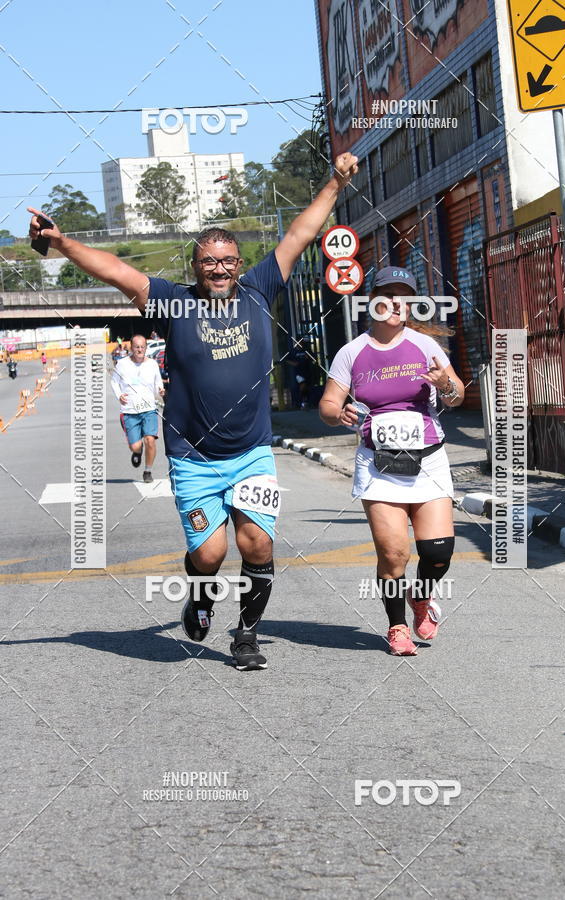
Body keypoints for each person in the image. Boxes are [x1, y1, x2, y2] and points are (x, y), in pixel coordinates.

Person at [28, 151, 357, 671]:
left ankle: (246, 635)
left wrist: (335, 182)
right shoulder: (171, 303)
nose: (220, 268)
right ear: (195, 267)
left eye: (228, 260)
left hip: (251, 453)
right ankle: (201, 596)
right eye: (209, 261)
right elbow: (117, 272)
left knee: (257, 545)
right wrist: (63, 243)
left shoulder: (260, 289)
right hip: (194, 458)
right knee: (209, 555)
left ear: (240, 265)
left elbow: (299, 233)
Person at [319, 266, 465, 656]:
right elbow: (328, 404)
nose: (397, 302)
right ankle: (397, 626)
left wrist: (445, 385)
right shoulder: (352, 352)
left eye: (405, 296)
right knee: (394, 553)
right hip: (378, 466)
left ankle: (422, 596)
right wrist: (340, 413)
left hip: (429, 461)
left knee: (437, 551)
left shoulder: (425, 346)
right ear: (374, 300)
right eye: (389, 294)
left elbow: (457, 395)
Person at [111, 334, 164, 483]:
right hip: (130, 411)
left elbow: (158, 382)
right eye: (137, 347)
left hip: (149, 409)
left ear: (146, 348)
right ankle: (137, 451)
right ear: (131, 348)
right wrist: (119, 394)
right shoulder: (122, 364)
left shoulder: (152, 364)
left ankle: (148, 471)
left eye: (142, 347)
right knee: (135, 446)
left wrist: (160, 390)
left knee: (150, 440)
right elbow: (114, 382)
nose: (139, 350)